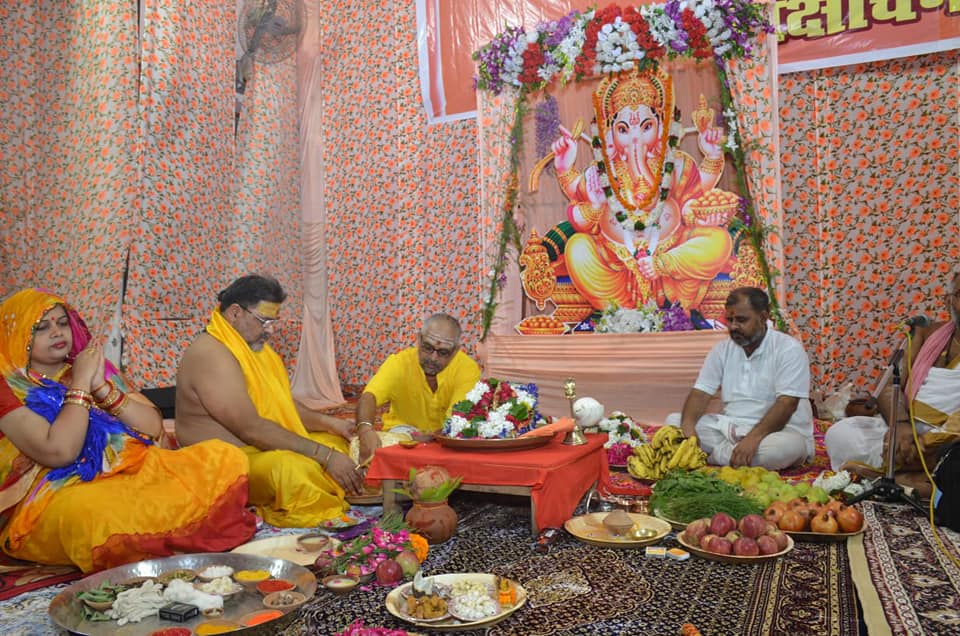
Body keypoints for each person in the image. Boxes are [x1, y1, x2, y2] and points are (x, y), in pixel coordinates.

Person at [0, 288, 256, 573]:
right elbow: (60, 452)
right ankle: (165, 533)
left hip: (129, 469)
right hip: (58, 494)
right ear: (15, 334)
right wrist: (81, 384)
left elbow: (151, 426)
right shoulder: (9, 389)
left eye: (62, 323)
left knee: (223, 457)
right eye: (41, 328)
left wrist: (101, 388)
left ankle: (160, 534)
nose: (57, 332)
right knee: (93, 516)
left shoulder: (91, 366)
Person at [176, 275, 362, 528]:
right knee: (293, 470)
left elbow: (283, 404)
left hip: (258, 448)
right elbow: (250, 428)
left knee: (339, 444)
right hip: (222, 464)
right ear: (235, 313)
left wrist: (332, 424)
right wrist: (326, 457)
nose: (270, 330)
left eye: (274, 321)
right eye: (264, 321)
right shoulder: (211, 354)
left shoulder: (253, 347)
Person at [550, 66, 733, 314]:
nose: (635, 137)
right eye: (623, 130)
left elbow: (692, 198)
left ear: (661, 127)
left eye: (646, 127)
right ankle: (619, 314)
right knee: (577, 248)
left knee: (719, 241)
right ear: (609, 133)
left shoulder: (676, 164)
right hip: (616, 268)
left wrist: (711, 158)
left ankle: (664, 279)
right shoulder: (601, 172)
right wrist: (566, 169)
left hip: (671, 267)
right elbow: (579, 211)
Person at [826, 271, 960, 497]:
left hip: (947, 437)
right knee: (839, 433)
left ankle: (888, 476)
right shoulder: (927, 333)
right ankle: (914, 479)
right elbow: (888, 384)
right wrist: (901, 426)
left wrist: (930, 440)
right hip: (905, 426)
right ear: (948, 300)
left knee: (951, 456)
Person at [669, 287, 814, 469]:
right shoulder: (722, 350)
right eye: (729, 320)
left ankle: (712, 456)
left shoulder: (788, 349)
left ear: (763, 317)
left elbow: (787, 403)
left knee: (784, 448)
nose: (733, 326)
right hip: (731, 428)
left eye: (741, 320)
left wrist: (753, 438)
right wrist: (689, 430)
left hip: (776, 432)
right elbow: (701, 393)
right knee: (674, 423)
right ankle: (733, 457)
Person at [356, 314, 481, 464]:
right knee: (374, 449)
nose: (433, 358)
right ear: (419, 339)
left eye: (443, 352)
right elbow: (369, 396)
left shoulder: (467, 369)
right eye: (428, 348)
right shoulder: (399, 363)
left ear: (455, 351)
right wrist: (365, 430)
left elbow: (457, 420)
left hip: (447, 439)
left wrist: (433, 437)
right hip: (403, 434)